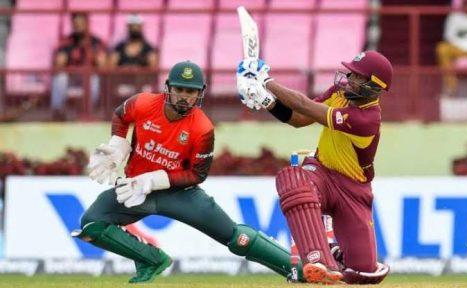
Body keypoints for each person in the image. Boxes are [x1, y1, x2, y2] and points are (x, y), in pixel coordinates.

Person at [72, 60, 304, 283]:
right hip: (134, 189)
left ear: (199, 93)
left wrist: (154, 180)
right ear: (168, 89)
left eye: (191, 91)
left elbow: (197, 175)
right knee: (92, 224)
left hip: (179, 194)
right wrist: (117, 144)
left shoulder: (202, 128)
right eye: (179, 89)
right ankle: (151, 260)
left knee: (237, 239)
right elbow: (120, 115)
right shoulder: (142, 103)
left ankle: (300, 271)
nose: (184, 96)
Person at [236, 51, 392, 284]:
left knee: (363, 274)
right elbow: (299, 118)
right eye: (352, 74)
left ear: (374, 86)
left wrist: (266, 81)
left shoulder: (367, 119)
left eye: (358, 77)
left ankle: (332, 252)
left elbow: (304, 105)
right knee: (294, 181)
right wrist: (267, 101)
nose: (350, 79)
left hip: (354, 190)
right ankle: (318, 260)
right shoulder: (340, 93)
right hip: (322, 172)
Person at [51, 12, 107, 120]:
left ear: (86, 23)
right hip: (71, 77)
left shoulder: (95, 42)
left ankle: (90, 112)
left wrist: (96, 58)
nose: (78, 26)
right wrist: (61, 61)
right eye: (75, 23)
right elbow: (58, 65)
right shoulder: (67, 42)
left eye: (81, 23)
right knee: (60, 78)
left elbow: (103, 66)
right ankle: (58, 112)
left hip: (88, 77)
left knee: (94, 79)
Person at [109, 14, 158, 98]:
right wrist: (124, 70)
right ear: (128, 27)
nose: (135, 28)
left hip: (141, 83)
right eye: (132, 26)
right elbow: (110, 67)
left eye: (137, 26)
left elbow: (153, 69)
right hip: (123, 80)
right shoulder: (119, 47)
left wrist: (138, 71)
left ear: (141, 27)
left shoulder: (149, 48)